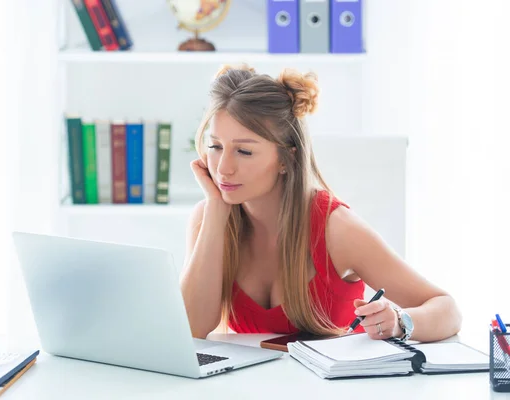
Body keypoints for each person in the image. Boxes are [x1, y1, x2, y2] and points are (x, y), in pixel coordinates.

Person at [180, 63, 462, 342]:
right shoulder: (209, 219)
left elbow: (447, 309)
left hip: (335, 386)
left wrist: (400, 322)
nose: (223, 168)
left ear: (286, 158)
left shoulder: (336, 229)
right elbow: (192, 329)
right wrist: (216, 211)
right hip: (249, 386)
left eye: (244, 151)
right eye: (215, 146)